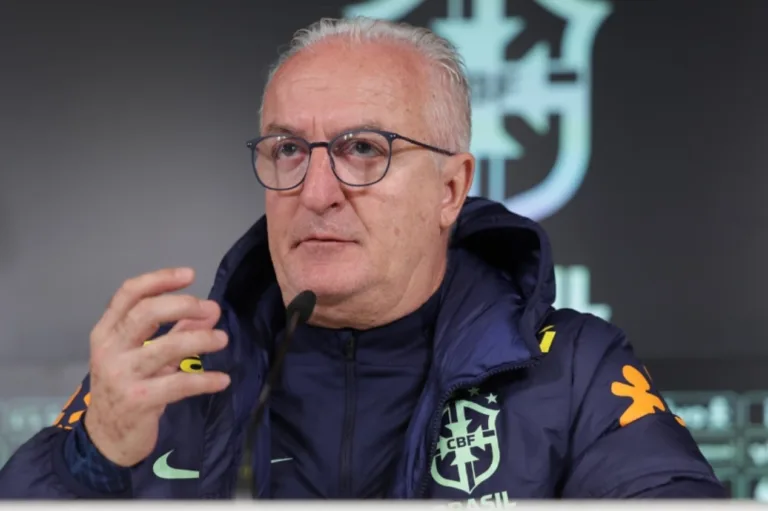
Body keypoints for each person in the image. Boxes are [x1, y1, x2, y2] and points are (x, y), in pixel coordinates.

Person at [0, 17, 724, 501]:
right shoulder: (166, 370)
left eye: (364, 149)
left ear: (450, 188)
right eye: (288, 149)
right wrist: (91, 457)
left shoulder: (571, 370)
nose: (317, 192)